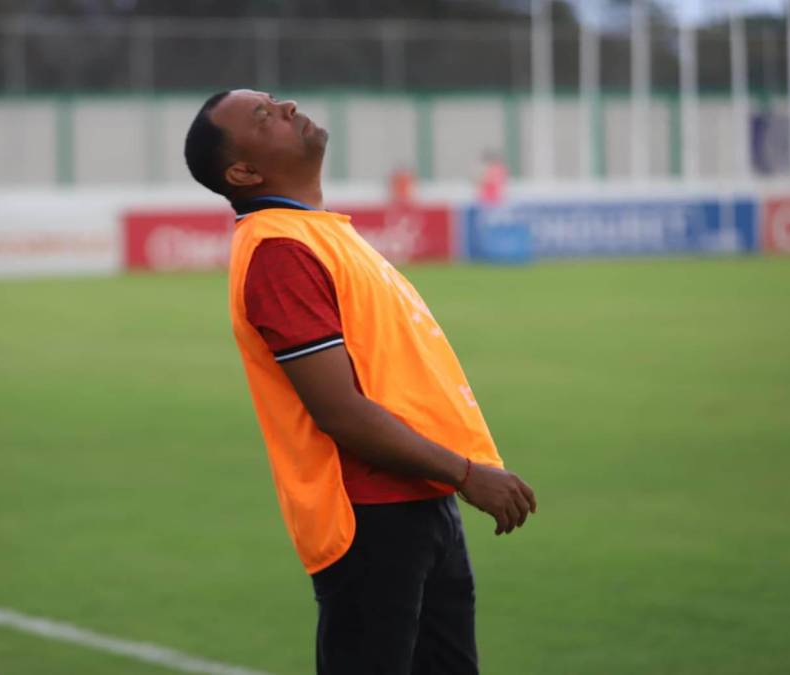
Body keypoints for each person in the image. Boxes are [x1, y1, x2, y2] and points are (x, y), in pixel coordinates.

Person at [184, 89, 537, 675]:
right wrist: (468, 474)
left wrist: (452, 478)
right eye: (265, 116)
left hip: (422, 500)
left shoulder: (317, 233)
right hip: (370, 516)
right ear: (242, 170)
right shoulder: (279, 248)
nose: (289, 106)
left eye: (276, 100)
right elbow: (340, 412)